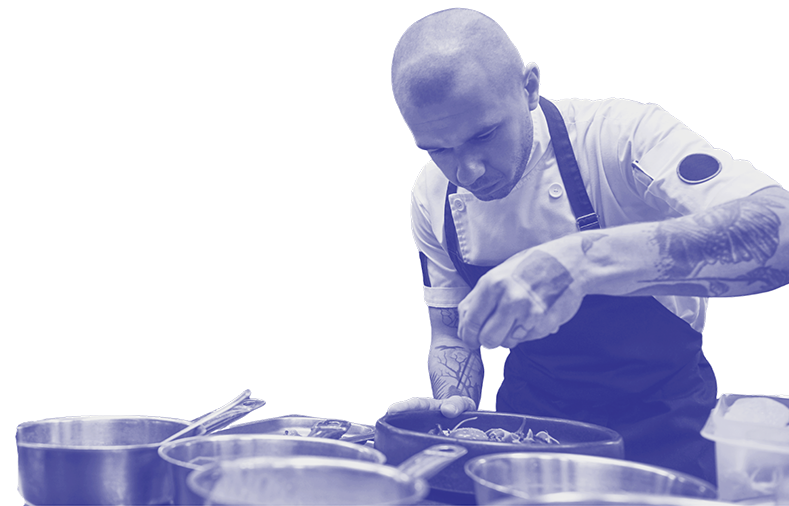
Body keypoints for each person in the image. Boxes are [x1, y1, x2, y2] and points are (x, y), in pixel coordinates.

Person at [389, 7, 789, 486]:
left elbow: (780, 232)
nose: (467, 170)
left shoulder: (620, 137)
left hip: (666, 431)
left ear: (529, 85)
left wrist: (578, 262)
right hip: (531, 440)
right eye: (439, 148)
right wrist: (456, 398)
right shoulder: (432, 195)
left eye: (484, 135)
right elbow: (451, 330)